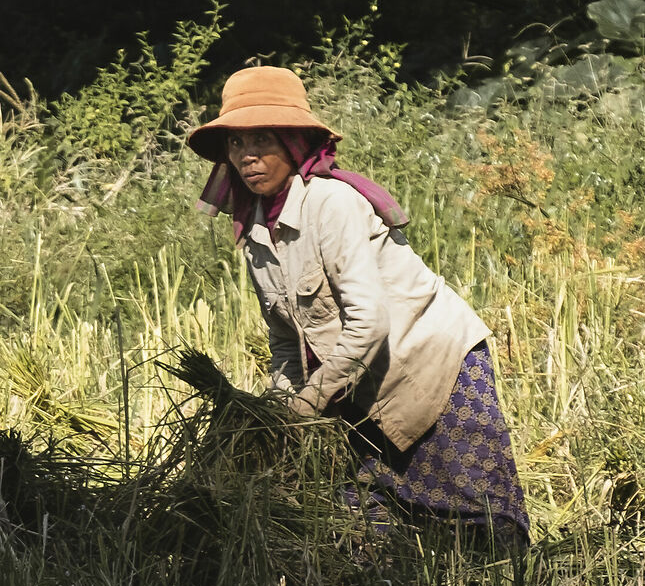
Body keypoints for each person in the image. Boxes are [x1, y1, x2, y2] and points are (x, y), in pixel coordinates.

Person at [186, 65, 530, 541]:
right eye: (237, 144)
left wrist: (311, 399)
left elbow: (369, 320)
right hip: (355, 378)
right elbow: (287, 339)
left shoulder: (332, 204)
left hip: (430, 361)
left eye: (262, 140)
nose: (248, 156)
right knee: (364, 522)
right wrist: (278, 410)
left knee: (476, 520)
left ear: (293, 144)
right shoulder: (256, 229)